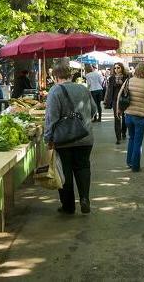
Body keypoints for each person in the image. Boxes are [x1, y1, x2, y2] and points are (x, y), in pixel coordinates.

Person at [44, 59, 97, 214]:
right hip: (85, 137)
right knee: (83, 167)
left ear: (55, 76)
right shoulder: (83, 88)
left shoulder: (55, 91)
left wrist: (48, 139)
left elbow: (51, 119)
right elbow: (93, 110)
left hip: (64, 140)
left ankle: (68, 206)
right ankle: (85, 199)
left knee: (64, 171)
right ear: (70, 75)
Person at [117, 63, 144, 172]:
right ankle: (136, 166)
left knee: (131, 138)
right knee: (138, 141)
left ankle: (129, 162)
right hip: (140, 117)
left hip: (128, 115)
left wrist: (119, 110)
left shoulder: (129, 81)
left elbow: (120, 95)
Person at [104, 62, 129, 144]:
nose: (116, 69)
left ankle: (124, 132)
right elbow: (109, 90)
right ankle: (118, 138)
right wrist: (107, 101)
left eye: (118, 67)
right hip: (115, 100)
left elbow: (129, 89)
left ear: (122, 68)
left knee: (125, 118)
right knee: (117, 118)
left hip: (124, 100)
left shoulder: (126, 77)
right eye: (115, 68)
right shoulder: (111, 78)